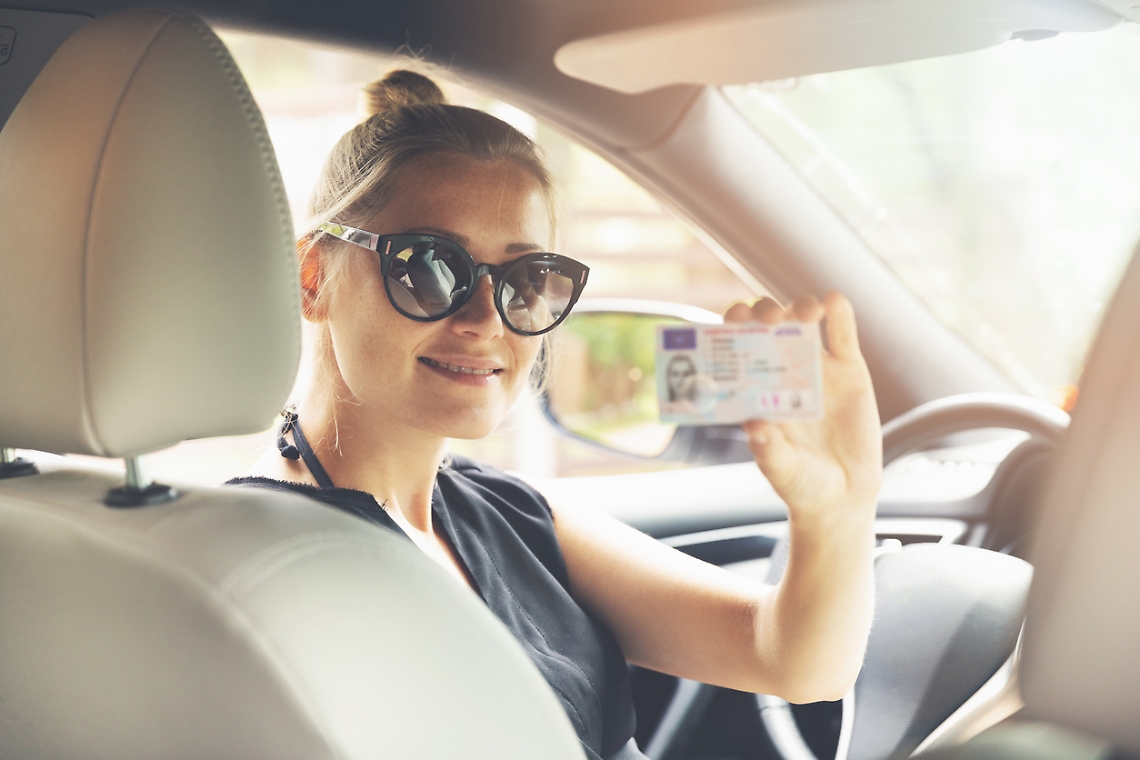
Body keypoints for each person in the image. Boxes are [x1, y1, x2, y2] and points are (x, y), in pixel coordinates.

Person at [231, 70, 882, 760]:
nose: (486, 321)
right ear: (313, 279)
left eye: (525, 280)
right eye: (429, 267)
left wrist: (837, 512)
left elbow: (790, 661)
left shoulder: (508, 513)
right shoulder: (270, 563)